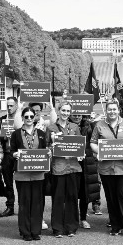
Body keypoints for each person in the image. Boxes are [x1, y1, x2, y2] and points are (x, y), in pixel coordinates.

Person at [90, 99, 123, 238]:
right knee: (111, 199)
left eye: (114, 109)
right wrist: (98, 152)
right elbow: (93, 143)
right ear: (106, 110)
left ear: (118, 110)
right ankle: (115, 226)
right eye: (109, 109)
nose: (112, 111)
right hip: (106, 168)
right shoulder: (99, 125)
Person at [12, 106, 49, 241]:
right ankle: (25, 231)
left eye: (31, 116)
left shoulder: (40, 133)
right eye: (26, 116)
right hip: (22, 174)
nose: (28, 119)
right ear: (22, 118)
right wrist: (14, 154)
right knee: (24, 202)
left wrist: (48, 153)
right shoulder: (16, 134)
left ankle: (35, 230)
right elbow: (10, 152)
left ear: (34, 118)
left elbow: (44, 150)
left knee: (37, 203)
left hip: (38, 173)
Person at [47, 101, 83, 237]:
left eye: (68, 111)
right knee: (58, 198)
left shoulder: (74, 127)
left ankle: (71, 227)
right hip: (59, 167)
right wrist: (51, 148)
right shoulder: (51, 128)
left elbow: (79, 144)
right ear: (58, 110)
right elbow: (47, 146)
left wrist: (81, 153)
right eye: (63, 110)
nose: (65, 113)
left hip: (73, 167)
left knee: (72, 197)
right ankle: (57, 228)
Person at [77, 112, 104, 223]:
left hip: (86, 162)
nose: (76, 116)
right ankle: (71, 218)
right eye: (74, 113)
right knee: (71, 192)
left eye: (79, 114)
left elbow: (97, 135)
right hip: (70, 163)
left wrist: (93, 122)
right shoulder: (67, 125)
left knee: (84, 192)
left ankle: (83, 218)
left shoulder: (88, 125)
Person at [0, 97, 19, 217]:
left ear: (16, 105)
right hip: (6, 153)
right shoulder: (2, 120)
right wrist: (3, 137)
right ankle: (10, 206)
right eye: (8, 105)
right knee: (8, 182)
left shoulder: (20, 119)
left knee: (21, 182)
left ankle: (24, 206)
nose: (9, 108)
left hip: (18, 154)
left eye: (12, 105)